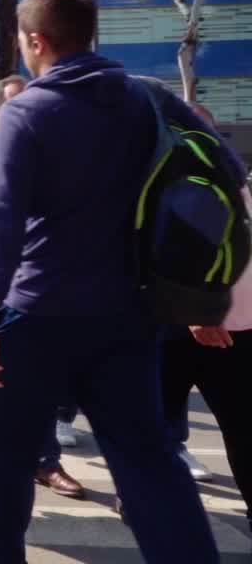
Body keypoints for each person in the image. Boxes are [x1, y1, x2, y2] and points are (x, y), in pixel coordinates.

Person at [0, 0, 239, 563]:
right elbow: (225, 169)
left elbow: (1, 223)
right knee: (148, 458)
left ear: (36, 40)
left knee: (12, 459)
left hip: (36, 311)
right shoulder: (146, 98)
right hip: (129, 312)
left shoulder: (27, 113)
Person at [0, 76, 87, 499]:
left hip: (37, 284)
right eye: (20, 107)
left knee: (39, 378)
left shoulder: (51, 149)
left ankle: (45, 462)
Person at [157, 100, 250, 523]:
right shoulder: (227, 182)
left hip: (217, 327)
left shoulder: (213, 184)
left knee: (242, 428)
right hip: (195, 325)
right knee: (152, 425)